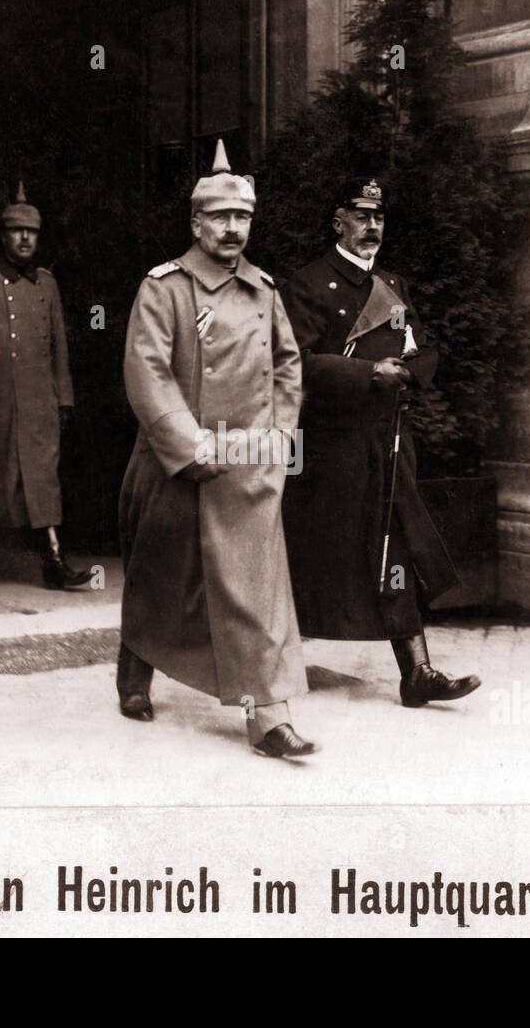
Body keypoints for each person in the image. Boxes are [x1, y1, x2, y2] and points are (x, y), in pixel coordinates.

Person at [117, 140, 315, 758]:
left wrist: (279, 437)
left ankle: (268, 719)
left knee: (255, 593)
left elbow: (288, 366)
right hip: (179, 462)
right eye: (221, 217)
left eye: (243, 217)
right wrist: (187, 446)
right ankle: (135, 668)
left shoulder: (264, 289)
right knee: (163, 577)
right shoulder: (164, 288)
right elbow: (148, 372)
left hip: (247, 464)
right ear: (196, 223)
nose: (233, 229)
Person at [279, 177, 481, 708]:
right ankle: (269, 665)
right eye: (361, 216)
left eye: (379, 217)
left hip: (389, 441)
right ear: (338, 222)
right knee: (311, 553)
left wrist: (409, 373)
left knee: (398, 546)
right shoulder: (307, 284)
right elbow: (293, 362)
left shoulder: (392, 284)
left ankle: (417, 673)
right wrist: (368, 372)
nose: (372, 226)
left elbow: (425, 349)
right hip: (329, 448)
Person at [0, 183, 89, 588]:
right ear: (3, 236)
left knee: (42, 480)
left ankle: (53, 563)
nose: (25, 239)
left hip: (39, 403)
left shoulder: (47, 284)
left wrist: (64, 398)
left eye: (32, 232)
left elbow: (59, 346)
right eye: (16, 231)